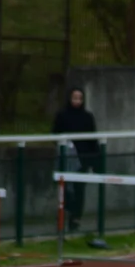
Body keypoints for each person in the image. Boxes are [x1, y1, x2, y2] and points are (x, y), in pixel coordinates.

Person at [51, 87, 100, 234]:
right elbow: (55, 134)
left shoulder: (87, 117)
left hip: (83, 158)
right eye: (74, 98)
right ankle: (65, 215)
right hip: (67, 158)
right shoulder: (62, 115)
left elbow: (93, 139)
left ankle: (76, 219)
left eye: (80, 98)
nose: (77, 101)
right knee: (65, 188)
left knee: (79, 189)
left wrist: (94, 162)